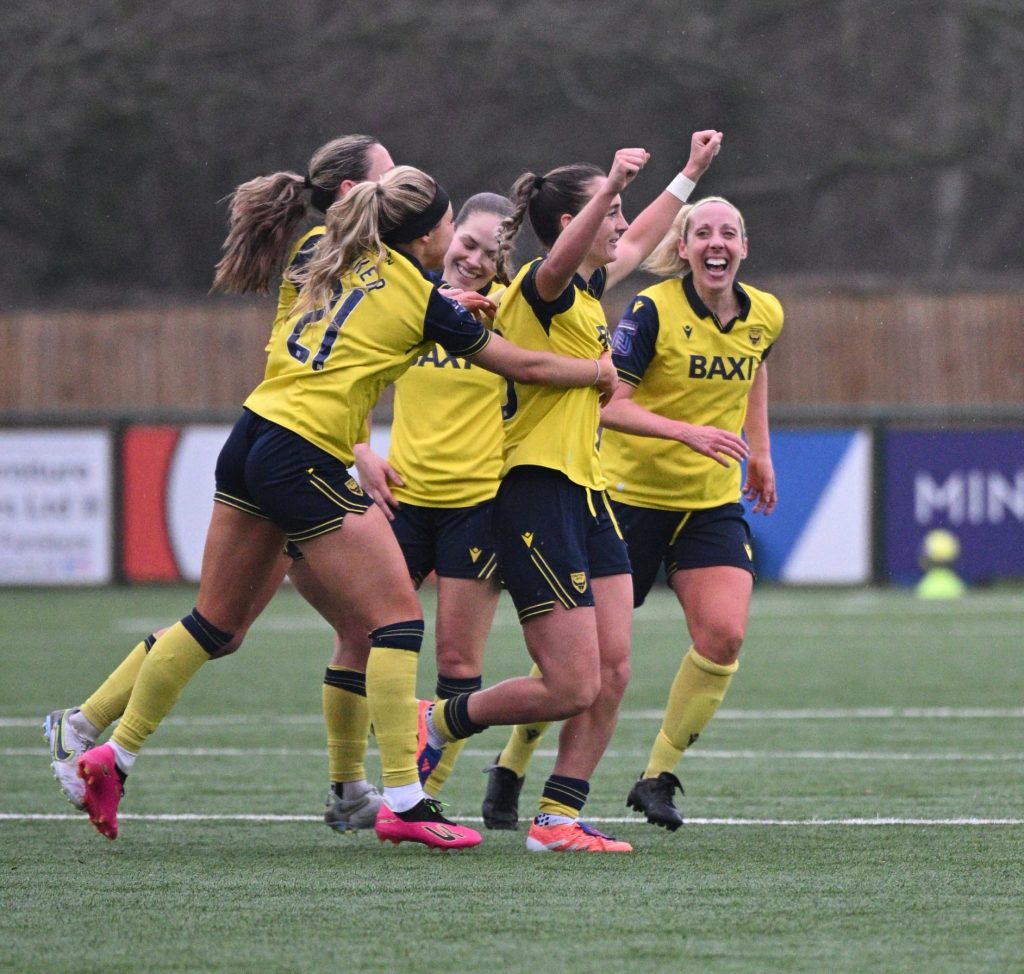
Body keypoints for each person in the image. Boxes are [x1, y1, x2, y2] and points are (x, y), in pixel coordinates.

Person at [67, 165, 618, 848]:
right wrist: (597, 371)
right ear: (424, 235)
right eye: (448, 225)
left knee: (214, 623)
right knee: (395, 622)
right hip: (305, 454)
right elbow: (526, 367)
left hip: (252, 434)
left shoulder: (328, 253)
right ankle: (408, 802)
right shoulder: (422, 299)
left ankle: (110, 753)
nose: (456, 242)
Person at [44, 134, 397, 831]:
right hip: (297, 460)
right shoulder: (342, 255)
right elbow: (327, 371)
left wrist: (360, 443)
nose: (404, 184)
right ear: (354, 194)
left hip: (293, 449)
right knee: (370, 622)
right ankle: (89, 731)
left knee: (286, 627)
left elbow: (332, 370)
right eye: (391, 176)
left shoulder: (339, 254)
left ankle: (349, 791)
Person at [417, 131, 723, 853]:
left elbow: (637, 236)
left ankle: (557, 817)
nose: (621, 226)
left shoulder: (583, 295)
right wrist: (612, 183)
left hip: (589, 495)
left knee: (612, 670)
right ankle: (441, 722)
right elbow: (560, 256)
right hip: (535, 495)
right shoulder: (540, 290)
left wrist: (688, 174)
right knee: (570, 684)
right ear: (570, 223)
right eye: (609, 213)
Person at [602, 196, 782, 829]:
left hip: (708, 503)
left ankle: (657, 776)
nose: (716, 242)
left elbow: (753, 370)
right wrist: (687, 432)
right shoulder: (652, 309)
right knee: (590, 661)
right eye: (701, 232)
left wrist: (758, 452)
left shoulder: (765, 312)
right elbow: (608, 404)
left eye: (728, 232)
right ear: (682, 248)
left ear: (744, 247)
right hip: (629, 499)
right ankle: (515, 762)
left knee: (724, 636)